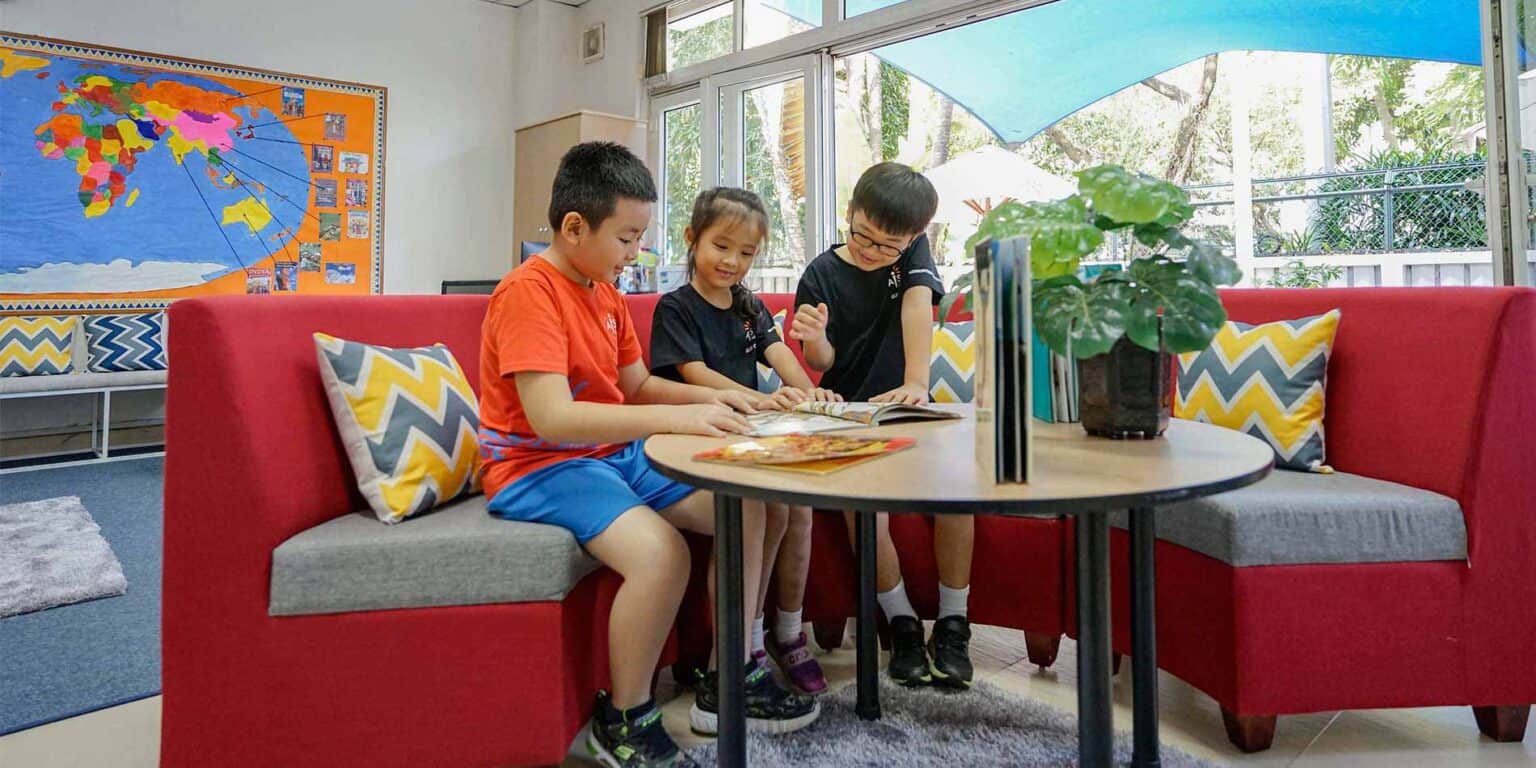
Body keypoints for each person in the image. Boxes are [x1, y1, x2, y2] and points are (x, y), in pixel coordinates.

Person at [478, 143, 817, 768]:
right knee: (661, 556)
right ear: (575, 226)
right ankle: (625, 716)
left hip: (611, 453)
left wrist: (728, 404)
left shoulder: (602, 292)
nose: (637, 254)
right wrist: (680, 416)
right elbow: (553, 419)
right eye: (628, 239)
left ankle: (730, 673)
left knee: (750, 505)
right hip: (539, 465)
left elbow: (635, 385)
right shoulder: (530, 293)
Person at [790, 162, 975, 689]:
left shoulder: (912, 252)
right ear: (850, 212)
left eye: (887, 245)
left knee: (960, 491)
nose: (872, 251)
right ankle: (900, 623)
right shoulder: (820, 274)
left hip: (909, 404)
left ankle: (954, 623)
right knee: (863, 509)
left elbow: (918, 308)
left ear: (914, 238)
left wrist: (918, 380)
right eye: (862, 236)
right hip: (849, 413)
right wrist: (818, 336)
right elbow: (821, 361)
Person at [648, 187, 838, 698]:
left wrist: (805, 394)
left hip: (750, 432)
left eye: (747, 253)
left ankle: (775, 635)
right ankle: (742, 647)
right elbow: (694, 372)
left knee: (794, 509)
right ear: (692, 239)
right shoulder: (675, 308)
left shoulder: (749, 306)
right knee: (761, 513)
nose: (733, 261)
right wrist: (752, 400)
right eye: (721, 246)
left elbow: (779, 354)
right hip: (700, 435)